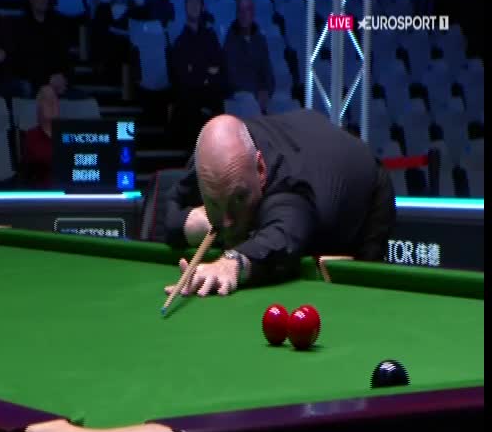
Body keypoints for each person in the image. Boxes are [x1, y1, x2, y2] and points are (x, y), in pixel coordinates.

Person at [163, 110, 396, 296]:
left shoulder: (286, 185)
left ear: (260, 169)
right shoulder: (210, 165)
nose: (227, 221)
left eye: (239, 198)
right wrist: (190, 223)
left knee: (362, 291)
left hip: (365, 191)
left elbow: (282, 235)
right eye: (214, 203)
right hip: (302, 148)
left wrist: (230, 264)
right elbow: (168, 210)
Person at [169, 0, 225, 153]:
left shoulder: (211, 38)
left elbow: (219, 69)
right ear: (185, 5)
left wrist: (195, 70)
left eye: (197, 0)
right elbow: (183, 79)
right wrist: (205, 72)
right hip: (189, 103)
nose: (194, 5)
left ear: (202, 6)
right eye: (190, 0)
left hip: (210, 98)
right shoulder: (180, 42)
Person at [11, 0, 74, 98]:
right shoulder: (19, 27)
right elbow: (22, 65)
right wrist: (47, 80)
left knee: (83, 99)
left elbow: (66, 60)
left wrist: (63, 78)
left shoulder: (59, 25)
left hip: (59, 86)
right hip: (34, 86)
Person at [223, 0, 275, 114]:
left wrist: (266, 90)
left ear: (253, 12)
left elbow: (267, 71)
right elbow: (233, 77)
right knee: (248, 102)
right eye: (240, 10)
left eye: (248, 9)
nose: (244, 14)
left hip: (259, 97)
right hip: (240, 97)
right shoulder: (230, 41)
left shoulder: (260, 39)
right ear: (237, 13)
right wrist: (257, 92)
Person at [20, 85, 59, 189]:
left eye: (55, 101)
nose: (52, 104)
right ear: (39, 107)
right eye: (47, 101)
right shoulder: (31, 136)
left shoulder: (69, 135)